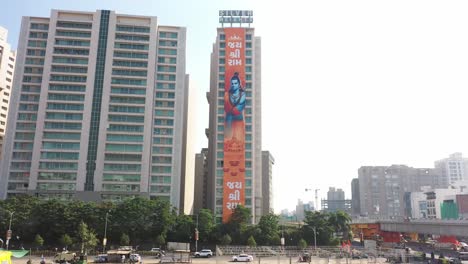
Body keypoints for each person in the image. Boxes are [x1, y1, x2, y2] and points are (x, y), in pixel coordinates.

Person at [224, 72, 246, 141]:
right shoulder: (227, 95)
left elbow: (237, 109)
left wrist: (230, 110)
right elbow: (226, 108)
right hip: (229, 121)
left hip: (239, 119)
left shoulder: (242, 95)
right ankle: (228, 136)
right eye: (232, 84)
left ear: (239, 84)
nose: (233, 85)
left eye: (235, 83)